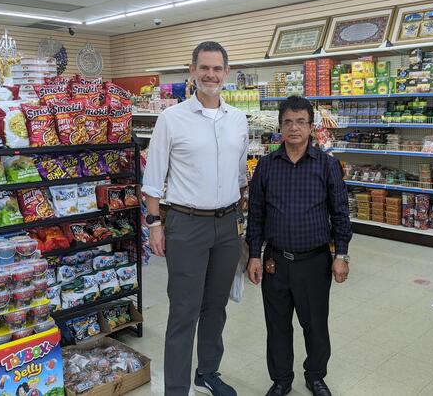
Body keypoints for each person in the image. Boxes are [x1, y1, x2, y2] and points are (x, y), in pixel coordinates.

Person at [143, 41, 248, 396]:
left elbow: (240, 176)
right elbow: (154, 179)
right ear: (192, 71)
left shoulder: (238, 120)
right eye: (204, 68)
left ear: (226, 73)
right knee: (184, 310)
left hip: (228, 224)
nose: (210, 75)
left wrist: (242, 223)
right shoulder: (171, 119)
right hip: (186, 224)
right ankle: (175, 388)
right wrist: (155, 224)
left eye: (217, 69)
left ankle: (207, 372)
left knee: (216, 307)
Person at [246, 96, 352, 396]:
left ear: (311, 126)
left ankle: (315, 375)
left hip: (315, 261)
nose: (294, 128)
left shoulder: (328, 165)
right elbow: (255, 214)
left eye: (301, 121)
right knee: (277, 325)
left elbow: (340, 213)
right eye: (288, 122)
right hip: (275, 261)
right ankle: (281, 380)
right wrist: (254, 254)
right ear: (280, 126)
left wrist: (341, 255)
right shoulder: (266, 166)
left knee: (315, 324)